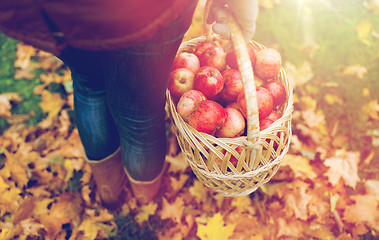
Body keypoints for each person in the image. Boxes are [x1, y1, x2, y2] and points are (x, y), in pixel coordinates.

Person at [0, 0, 258, 210]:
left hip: (54, 12)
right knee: (140, 115)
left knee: (89, 86)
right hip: (146, 10)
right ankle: (144, 199)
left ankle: (109, 193)